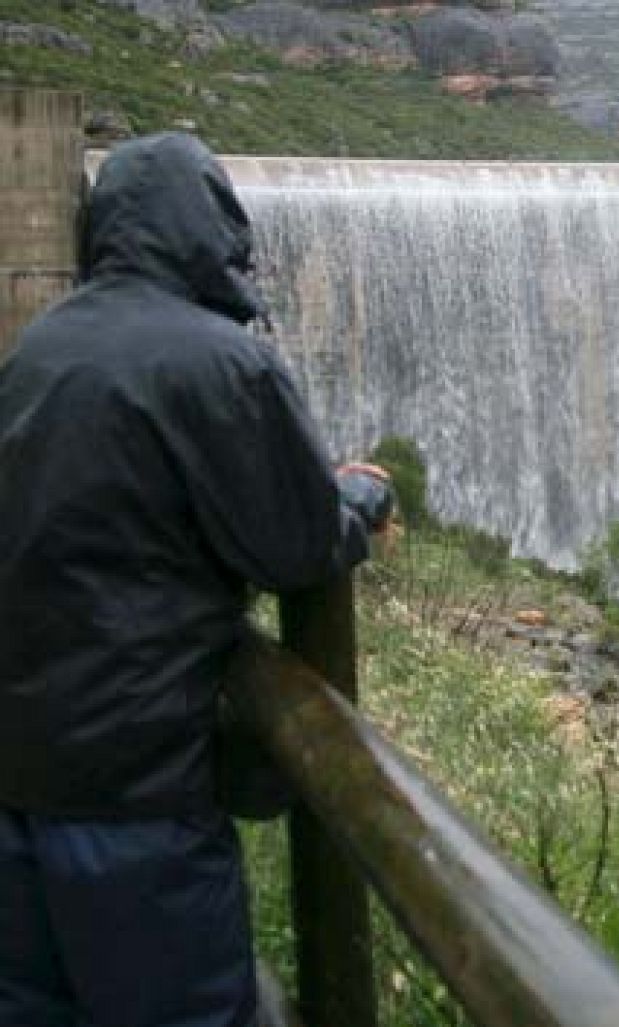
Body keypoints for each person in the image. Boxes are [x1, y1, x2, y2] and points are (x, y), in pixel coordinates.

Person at [0, 133, 393, 1026]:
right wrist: (359, 501)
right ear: (208, 227)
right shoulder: (224, 363)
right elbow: (296, 546)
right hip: (133, 796)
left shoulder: (38, 351)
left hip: (16, 780)